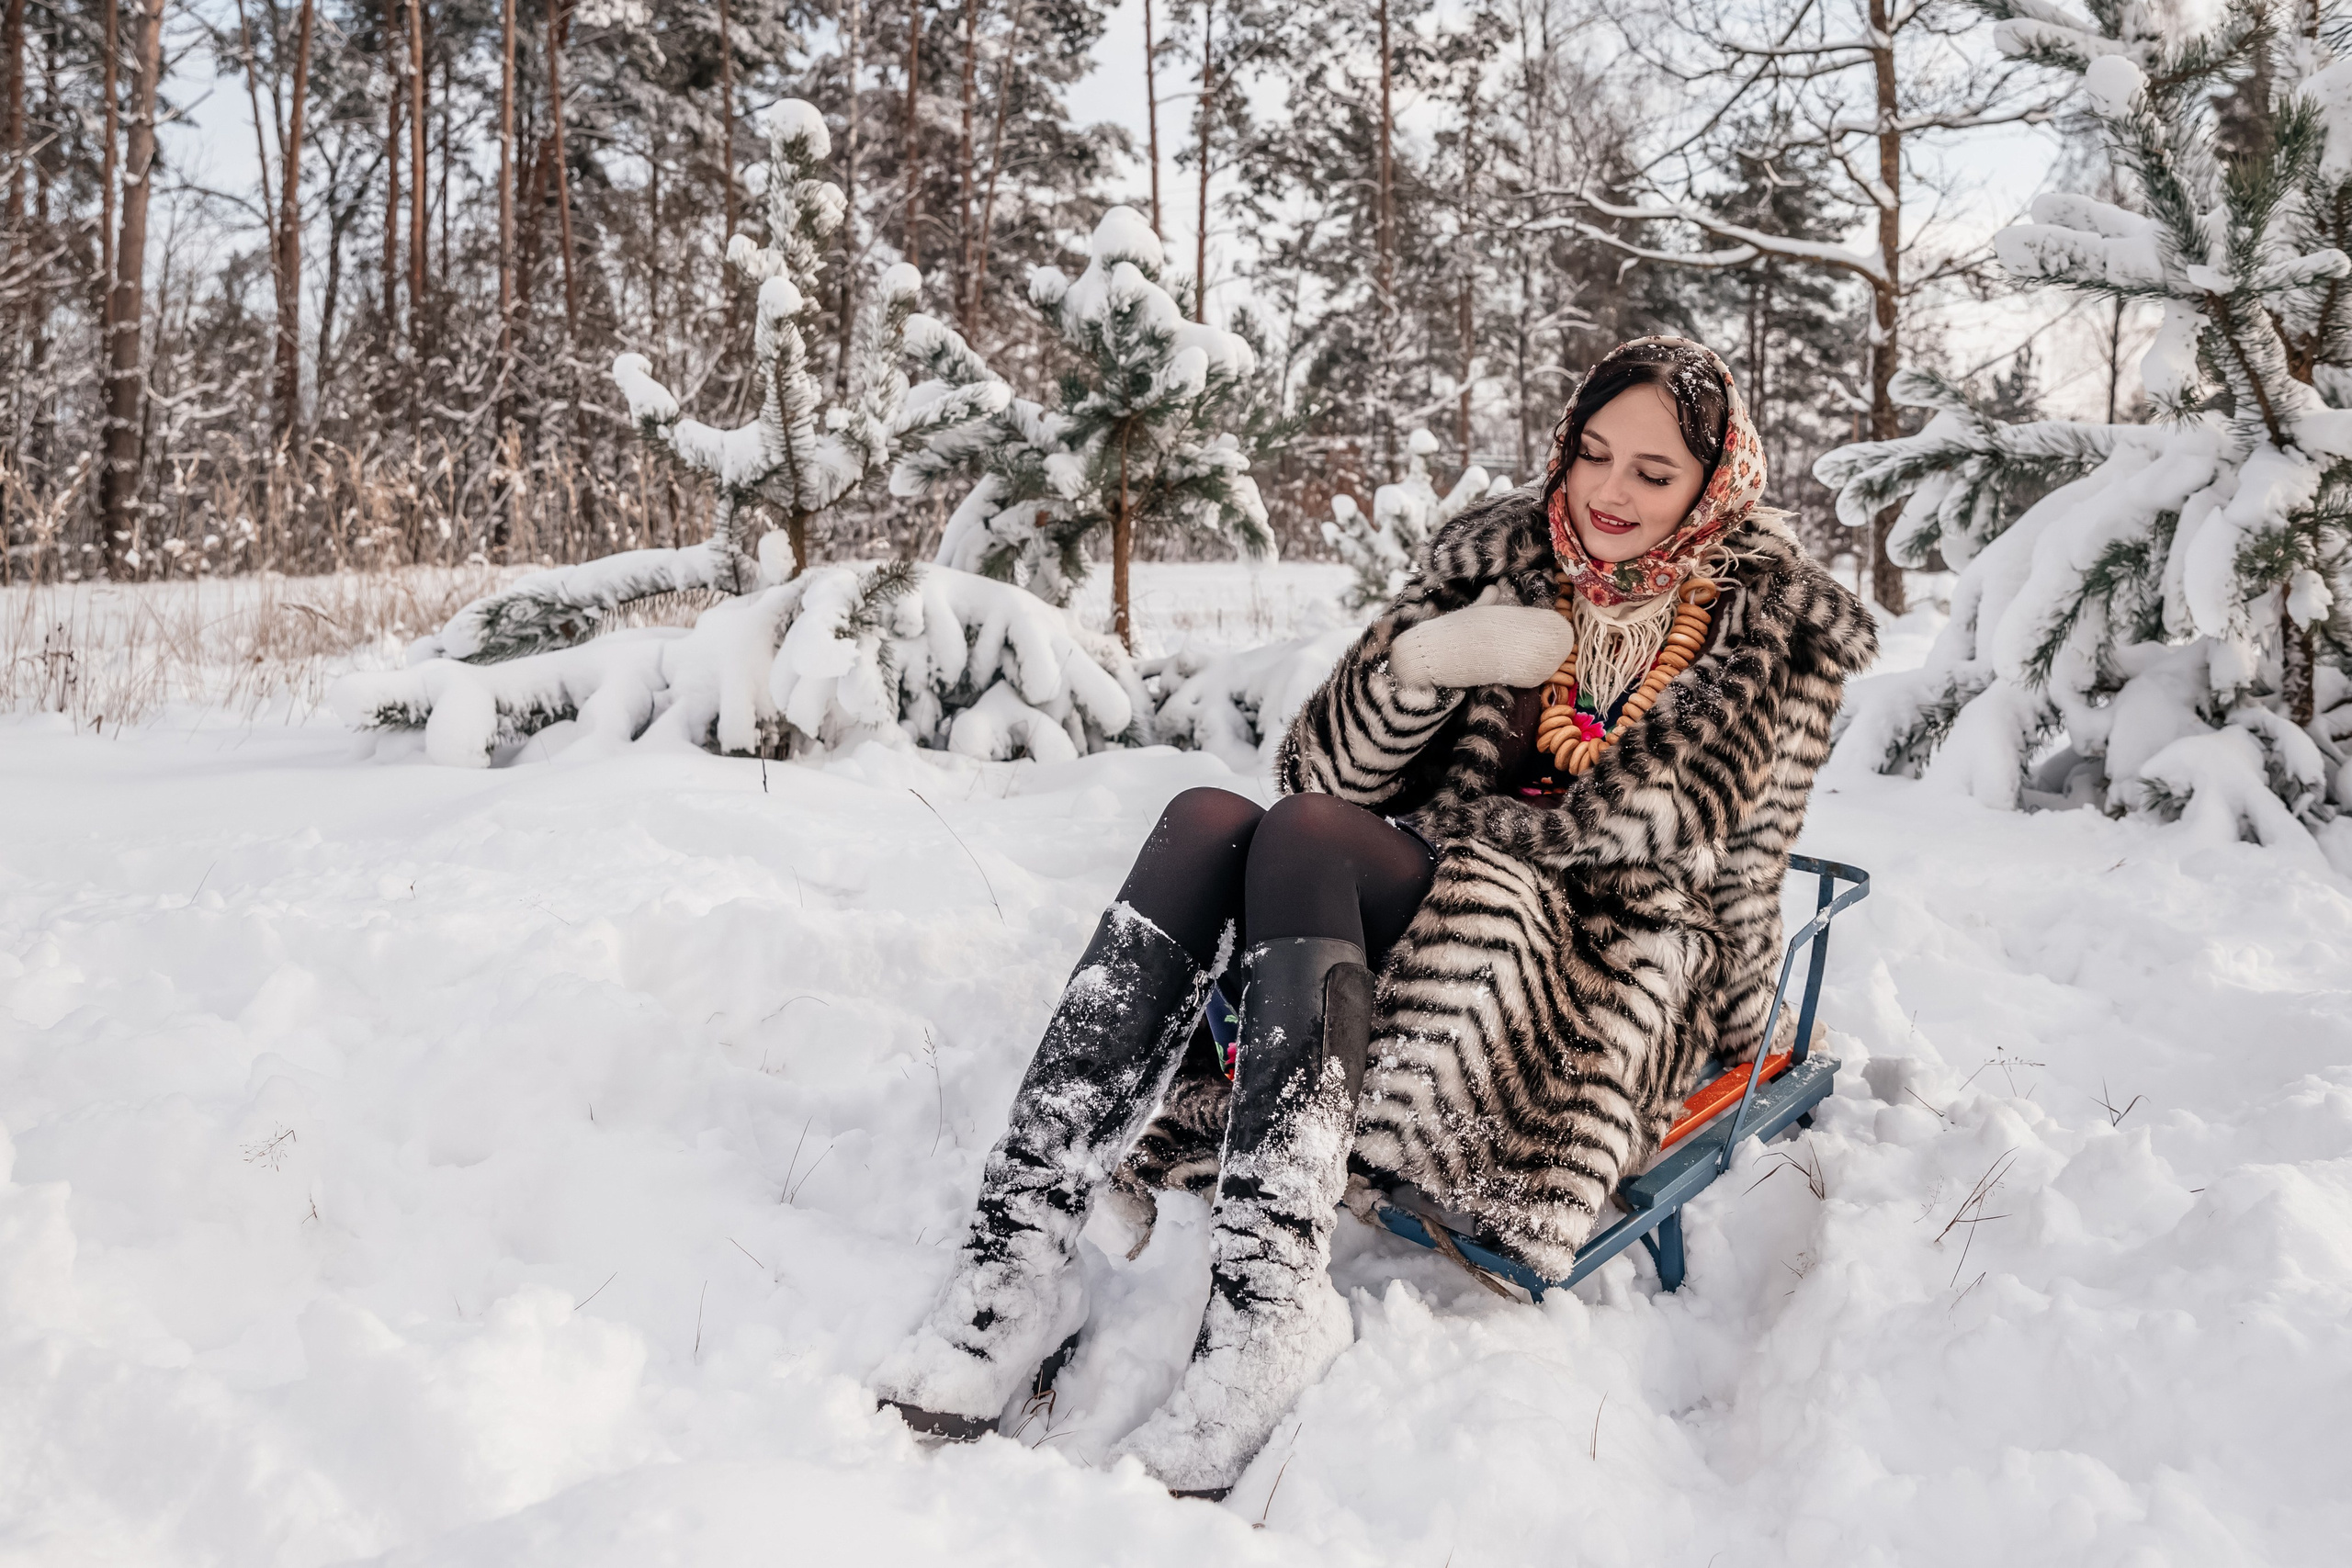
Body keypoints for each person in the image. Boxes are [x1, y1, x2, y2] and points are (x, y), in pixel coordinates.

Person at [869, 337, 1880, 1497]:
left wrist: (1742, 1031)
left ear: (1714, 480)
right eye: (1594, 454)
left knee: (1302, 840)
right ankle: (1017, 1250)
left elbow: (1741, 864)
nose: (1608, 492)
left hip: (1591, 967)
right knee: (1209, 817)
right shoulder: (1496, 560)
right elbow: (1320, 766)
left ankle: (1263, 1305)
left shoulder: (1773, 637)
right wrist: (1422, 671)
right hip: (1430, 888)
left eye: (1653, 473)